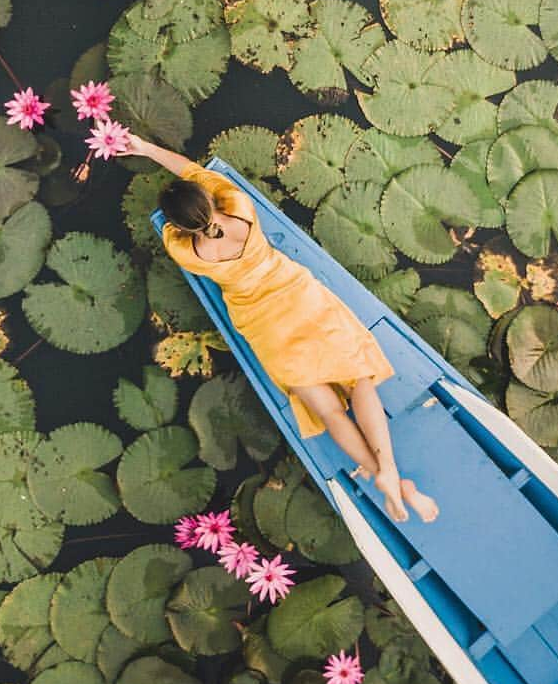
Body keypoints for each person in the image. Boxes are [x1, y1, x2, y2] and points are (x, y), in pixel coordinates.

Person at [121, 135, 440, 525]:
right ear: (208, 200)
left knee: (328, 411)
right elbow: (192, 171)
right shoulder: (240, 209)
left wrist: (164, 193)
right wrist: (150, 147)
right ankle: (389, 469)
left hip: (266, 328)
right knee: (359, 380)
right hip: (301, 297)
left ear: (181, 226)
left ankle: (384, 480)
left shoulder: (188, 251)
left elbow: (175, 228)